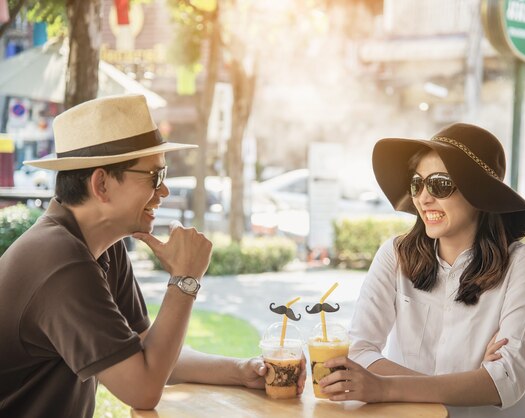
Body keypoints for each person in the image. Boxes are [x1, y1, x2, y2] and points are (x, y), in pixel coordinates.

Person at [0, 94, 304, 417]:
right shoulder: (61, 262)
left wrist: (241, 371)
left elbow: (151, 355)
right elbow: (143, 389)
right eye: (154, 177)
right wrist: (184, 281)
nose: (164, 191)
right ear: (101, 184)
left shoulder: (103, 246)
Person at [319, 123, 525, 417]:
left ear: (480, 194)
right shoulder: (395, 254)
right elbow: (359, 351)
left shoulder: (524, 263)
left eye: (439, 184)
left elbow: (506, 380)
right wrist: (471, 383)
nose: (423, 198)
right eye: (417, 184)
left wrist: (385, 386)